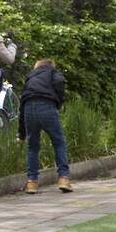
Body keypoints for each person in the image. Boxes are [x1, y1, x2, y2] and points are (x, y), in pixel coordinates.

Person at [20, 58, 70, 195]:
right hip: (46, 106)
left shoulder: (30, 76)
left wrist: (21, 134)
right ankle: (64, 179)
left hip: (29, 107)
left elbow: (22, 102)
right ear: (51, 65)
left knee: (32, 146)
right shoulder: (53, 72)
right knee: (58, 142)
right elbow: (59, 82)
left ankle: (31, 183)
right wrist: (59, 103)